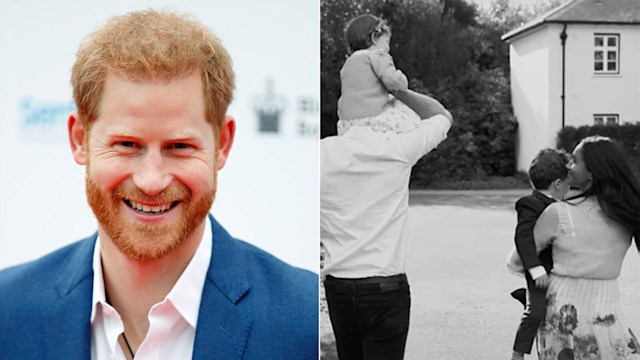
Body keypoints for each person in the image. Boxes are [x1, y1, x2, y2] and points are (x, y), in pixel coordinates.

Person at [0, 10, 317, 360]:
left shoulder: (304, 322)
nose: (152, 181)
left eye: (179, 147)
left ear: (222, 145)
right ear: (79, 139)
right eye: (127, 144)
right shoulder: (7, 311)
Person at [321, 71, 453, 360]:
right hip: (384, 287)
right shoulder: (397, 148)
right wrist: (400, 90)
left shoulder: (321, 154)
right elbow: (442, 116)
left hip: (339, 285)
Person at [509, 136, 640, 359]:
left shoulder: (559, 213)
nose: (569, 167)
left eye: (575, 161)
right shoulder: (628, 214)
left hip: (561, 316)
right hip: (608, 315)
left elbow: (516, 261)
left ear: (591, 172)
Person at [508, 148, 572, 360]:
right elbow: (523, 238)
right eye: (568, 183)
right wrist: (535, 270)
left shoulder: (565, 204)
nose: (570, 187)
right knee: (535, 313)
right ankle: (518, 354)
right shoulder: (530, 204)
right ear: (557, 183)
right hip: (540, 272)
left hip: (563, 270)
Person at [336, 14, 423, 135]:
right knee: (403, 107)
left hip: (347, 124)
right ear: (374, 38)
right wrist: (402, 79)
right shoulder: (377, 55)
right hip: (372, 119)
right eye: (387, 42)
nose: (388, 48)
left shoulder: (348, 64)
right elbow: (394, 82)